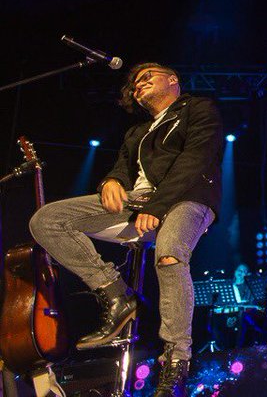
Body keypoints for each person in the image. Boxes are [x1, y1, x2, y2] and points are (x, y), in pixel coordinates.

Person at [29, 62, 223, 396]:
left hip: (189, 197)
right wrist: (112, 180)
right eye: (134, 84)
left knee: (170, 254)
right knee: (46, 220)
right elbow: (121, 167)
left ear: (173, 80)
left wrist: (156, 207)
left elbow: (196, 160)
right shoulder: (137, 132)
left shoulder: (198, 109)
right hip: (141, 201)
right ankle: (115, 293)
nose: (139, 85)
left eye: (147, 78)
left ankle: (176, 359)